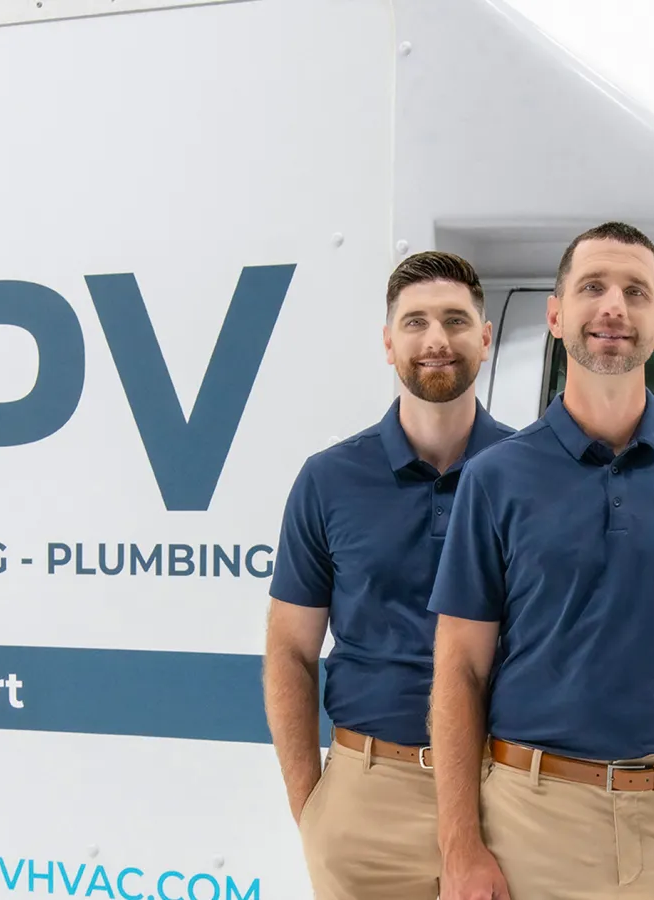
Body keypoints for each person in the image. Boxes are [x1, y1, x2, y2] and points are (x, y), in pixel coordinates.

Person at [428, 221, 654, 900]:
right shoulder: (495, 477)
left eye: (635, 292)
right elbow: (460, 667)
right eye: (592, 287)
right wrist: (460, 844)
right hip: (535, 825)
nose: (614, 306)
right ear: (556, 316)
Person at [262, 250, 515, 900]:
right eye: (415, 322)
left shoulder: (532, 475)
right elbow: (290, 650)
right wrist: (313, 810)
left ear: (485, 338)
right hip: (367, 796)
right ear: (387, 342)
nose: (436, 340)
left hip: (507, 793)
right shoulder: (329, 480)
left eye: (456, 321)